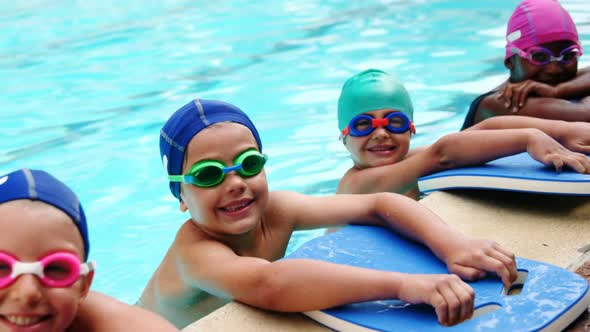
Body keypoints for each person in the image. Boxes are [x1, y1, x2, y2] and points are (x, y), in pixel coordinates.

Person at [139, 99, 518, 328]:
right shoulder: (194, 251)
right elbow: (271, 284)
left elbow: (379, 203)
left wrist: (452, 244)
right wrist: (404, 285)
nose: (236, 182)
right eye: (207, 175)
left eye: (249, 164)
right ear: (182, 196)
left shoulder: (279, 209)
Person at [336, 69, 590, 197]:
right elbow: (444, 153)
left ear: (411, 129)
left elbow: (480, 130)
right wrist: (528, 138)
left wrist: (563, 131)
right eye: (363, 125)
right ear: (343, 136)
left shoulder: (407, 160)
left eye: (395, 122)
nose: (380, 133)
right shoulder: (356, 185)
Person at [0, 168, 178, 332]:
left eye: (55, 268)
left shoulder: (112, 323)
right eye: (1, 267)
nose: (27, 292)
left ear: (83, 285)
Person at [461, 0, 590, 129]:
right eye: (539, 56)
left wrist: (558, 91)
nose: (554, 69)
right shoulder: (501, 103)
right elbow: (585, 116)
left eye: (568, 55)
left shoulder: (557, 84)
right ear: (510, 61)